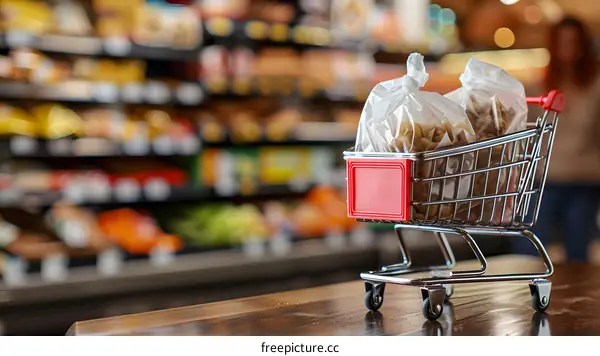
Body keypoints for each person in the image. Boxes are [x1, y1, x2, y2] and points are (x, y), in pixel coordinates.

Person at [514, 17, 600, 262]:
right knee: (529, 248)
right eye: (562, 42)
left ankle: (577, 300)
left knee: (577, 252)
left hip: (585, 179)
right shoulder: (537, 86)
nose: (567, 48)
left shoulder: (596, 87)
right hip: (545, 179)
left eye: (573, 42)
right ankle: (531, 295)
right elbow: (525, 133)